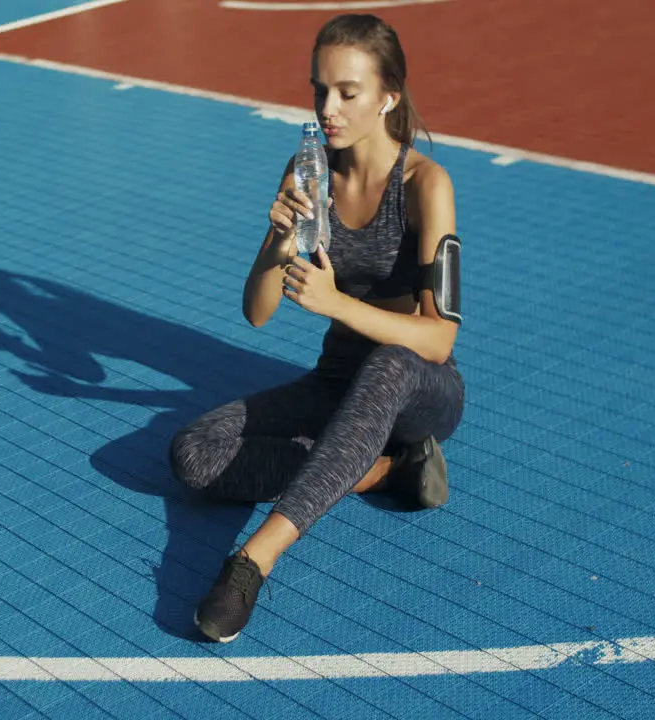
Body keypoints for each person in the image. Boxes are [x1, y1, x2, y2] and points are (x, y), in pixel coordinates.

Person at [167, 13, 467, 643]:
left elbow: (439, 339)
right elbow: (257, 312)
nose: (328, 108)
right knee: (194, 455)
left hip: (421, 388)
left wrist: (338, 305)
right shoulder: (310, 170)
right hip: (337, 381)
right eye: (319, 90)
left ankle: (253, 561)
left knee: (386, 362)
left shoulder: (425, 186)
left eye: (347, 93)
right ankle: (387, 471)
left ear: (388, 95)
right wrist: (278, 239)